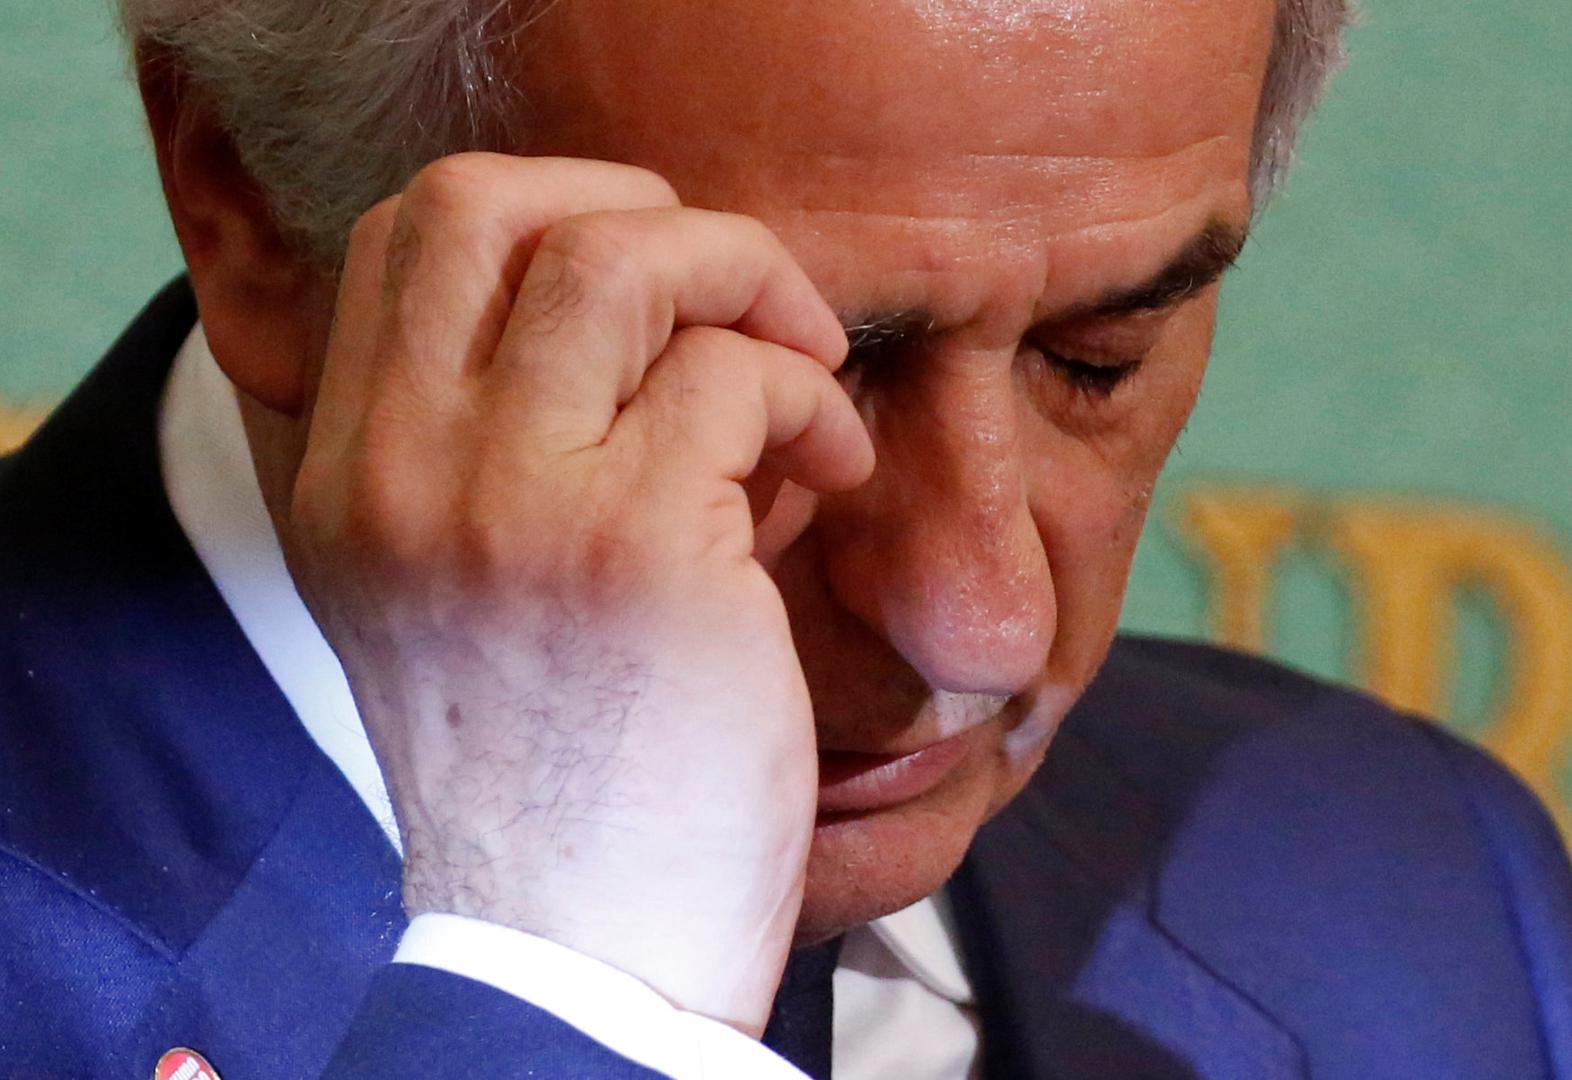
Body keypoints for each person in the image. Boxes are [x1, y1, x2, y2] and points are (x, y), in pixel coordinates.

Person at [3, 0, 1570, 1077]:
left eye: (1099, 358)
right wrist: (576, 984)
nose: (982, 619)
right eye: (775, 363)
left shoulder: (1426, 896)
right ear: (250, 213)